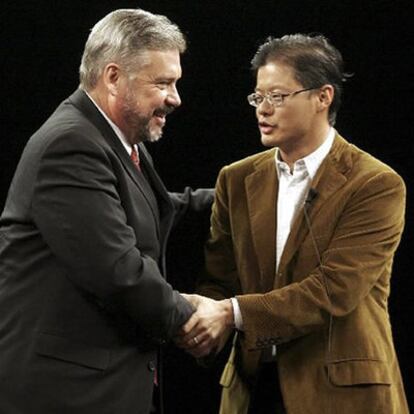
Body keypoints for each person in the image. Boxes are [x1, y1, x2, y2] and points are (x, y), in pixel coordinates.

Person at [176, 34, 409, 413]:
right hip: (252, 390)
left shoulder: (375, 184)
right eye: (257, 97)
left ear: (323, 97)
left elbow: (333, 290)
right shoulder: (235, 179)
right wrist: (207, 321)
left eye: (277, 97)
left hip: (340, 394)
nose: (262, 110)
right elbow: (219, 280)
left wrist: (230, 313)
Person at [0, 8, 213, 414]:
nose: (175, 98)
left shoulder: (112, 139)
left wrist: (240, 196)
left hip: (101, 388)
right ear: (113, 77)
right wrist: (193, 317)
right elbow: (118, 272)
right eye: (163, 83)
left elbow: (157, 207)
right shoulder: (70, 145)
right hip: (65, 395)